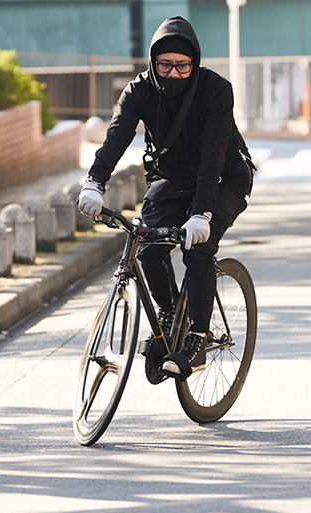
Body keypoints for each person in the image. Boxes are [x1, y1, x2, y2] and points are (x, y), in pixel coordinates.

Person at [77, 16, 253, 383]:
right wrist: (94, 182)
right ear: (153, 62)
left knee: (196, 250)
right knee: (148, 248)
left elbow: (213, 156)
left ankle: (197, 339)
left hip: (224, 181)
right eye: (165, 65)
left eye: (183, 66)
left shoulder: (216, 91)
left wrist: (202, 213)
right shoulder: (139, 90)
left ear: (195, 63)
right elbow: (117, 135)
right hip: (172, 179)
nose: (173, 74)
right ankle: (172, 310)